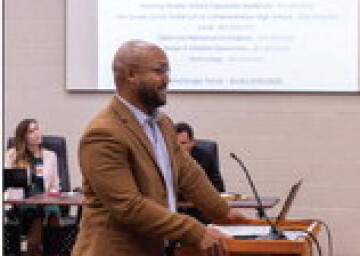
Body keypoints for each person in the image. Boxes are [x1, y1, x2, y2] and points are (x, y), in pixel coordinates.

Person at [72, 40, 247, 256]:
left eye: (167, 71)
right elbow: (129, 206)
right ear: (131, 75)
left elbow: (189, 176)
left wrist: (225, 213)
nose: (167, 79)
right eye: (159, 71)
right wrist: (196, 232)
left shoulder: (163, 124)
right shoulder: (103, 133)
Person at [5, 118, 61, 256]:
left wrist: (52, 194)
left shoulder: (50, 156)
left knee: (53, 219)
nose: (37, 133)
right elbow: (7, 183)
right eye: (31, 131)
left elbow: (55, 184)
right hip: (24, 202)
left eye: (37, 129)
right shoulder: (13, 155)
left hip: (46, 201)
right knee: (35, 219)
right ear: (23, 137)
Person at [175, 122, 225, 224]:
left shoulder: (204, 157)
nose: (179, 148)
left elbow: (218, 187)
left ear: (192, 142)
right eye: (176, 144)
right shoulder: (165, 158)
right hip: (175, 211)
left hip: (200, 210)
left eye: (183, 143)